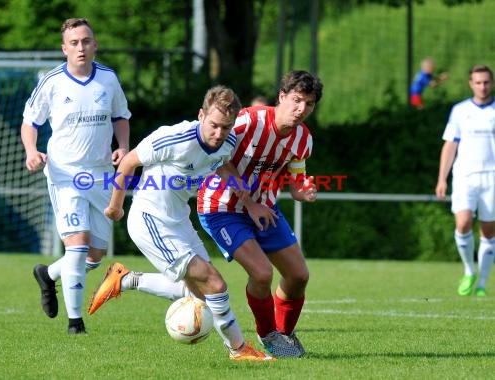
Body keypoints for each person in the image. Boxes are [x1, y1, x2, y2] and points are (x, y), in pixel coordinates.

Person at [87, 85, 274, 361]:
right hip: (150, 220)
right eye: (214, 125)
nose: (219, 133)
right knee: (215, 284)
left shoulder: (227, 141)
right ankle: (238, 349)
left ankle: (125, 279)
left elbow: (221, 163)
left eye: (226, 127)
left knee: (199, 294)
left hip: (178, 220)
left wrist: (243, 195)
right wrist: (115, 207)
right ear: (201, 115)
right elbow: (128, 162)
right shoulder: (174, 138)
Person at [197, 70, 323, 358]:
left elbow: (296, 177)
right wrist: (249, 203)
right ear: (282, 97)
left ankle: (285, 336)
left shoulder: (303, 139)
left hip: (264, 208)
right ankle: (268, 336)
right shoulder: (248, 121)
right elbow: (216, 156)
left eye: (309, 104)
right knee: (263, 273)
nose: (301, 109)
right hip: (222, 208)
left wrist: (301, 190)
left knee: (298, 275)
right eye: (296, 100)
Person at [21, 17, 131, 334]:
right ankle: (75, 323)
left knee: (94, 256)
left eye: (85, 41)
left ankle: (49, 274)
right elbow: (30, 122)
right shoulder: (52, 81)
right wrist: (32, 151)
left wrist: (123, 147)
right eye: (73, 42)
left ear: (94, 44)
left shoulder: (108, 80)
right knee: (78, 246)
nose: (80, 47)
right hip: (65, 174)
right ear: (64, 48)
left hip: (100, 175)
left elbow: (121, 116)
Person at [435, 64, 495, 297]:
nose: (482, 86)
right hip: (465, 176)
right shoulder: (460, 111)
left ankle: (482, 283)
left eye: (486, 82)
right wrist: (442, 178)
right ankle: (469, 270)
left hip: (492, 177)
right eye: (478, 82)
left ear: (491, 83)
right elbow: (450, 144)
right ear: (471, 84)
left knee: (489, 232)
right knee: (462, 223)